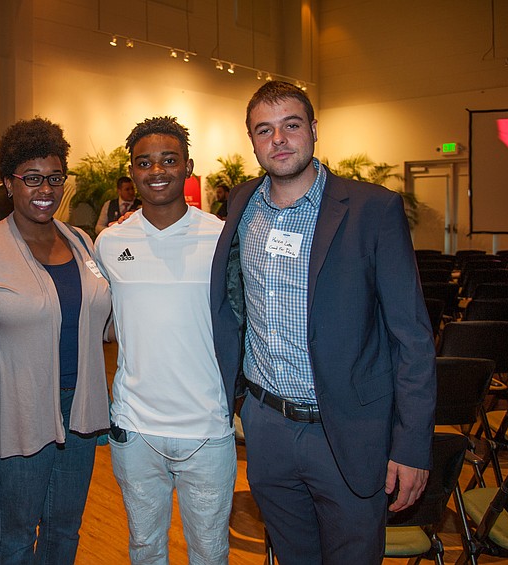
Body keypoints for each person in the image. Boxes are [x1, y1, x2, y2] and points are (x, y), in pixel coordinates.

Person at [210, 81, 436, 564]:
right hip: (266, 429)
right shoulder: (242, 204)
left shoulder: (373, 209)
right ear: (251, 141)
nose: (279, 140)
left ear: (313, 130)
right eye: (264, 130)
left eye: (291, 125)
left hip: (349, 433)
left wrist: (412, 445)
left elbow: (412, 337)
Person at [94, 116, 236, 565]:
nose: (157, 171)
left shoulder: (222, 237)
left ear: (188, 167)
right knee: (144, 549)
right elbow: (104, 323)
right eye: (144, 162)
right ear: (132, 172)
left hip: (208, 431)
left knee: (210, 553)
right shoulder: (110, 243)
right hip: (136, 430)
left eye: (169, 160)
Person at [0, 117, 111, 564]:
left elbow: (104, 318)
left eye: (54, 178)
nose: (44, 189)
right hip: (16, 407)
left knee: (64, 529)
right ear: (9, 183)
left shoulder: (83, 242)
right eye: (31, 178)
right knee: (15, 531)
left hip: (81, 407)